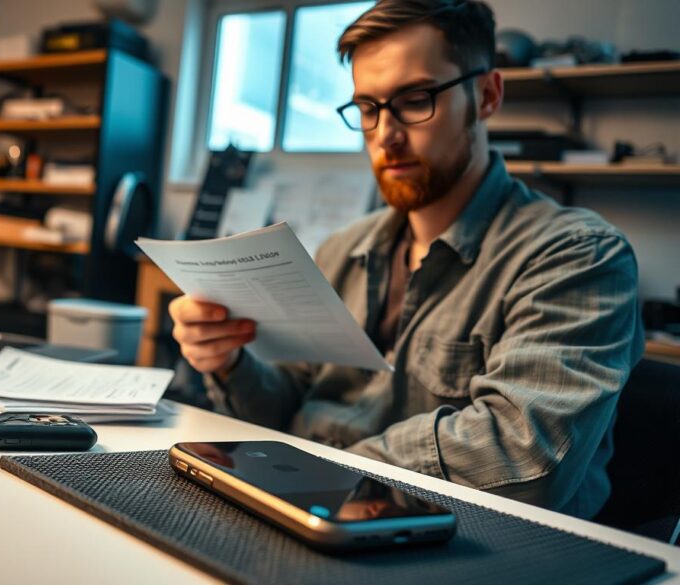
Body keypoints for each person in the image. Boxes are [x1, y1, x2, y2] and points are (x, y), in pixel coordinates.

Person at [168, 0, 643, 519]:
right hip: (313, 511)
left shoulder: (576, 256)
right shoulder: (340, 250)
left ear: (486, 96)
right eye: (368, 109)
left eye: (415, 99)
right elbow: (287, 405)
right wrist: (230, 363)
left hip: (479, 550)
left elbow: (528, 456)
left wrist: (324, 464)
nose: (386, 135)